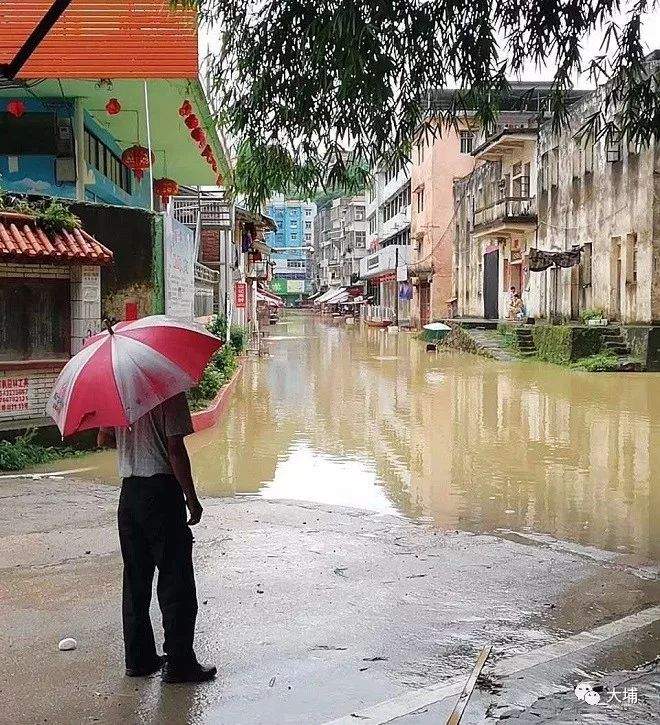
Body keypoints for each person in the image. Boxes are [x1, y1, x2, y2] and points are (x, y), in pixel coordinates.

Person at [97, 393, 216, 684]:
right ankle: (179, 663)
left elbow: (103, 439)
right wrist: (191, 497)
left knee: (135, 580)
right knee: (176, 579)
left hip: (130, 496)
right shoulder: (169, 392)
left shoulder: (118, 392)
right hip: (161, 492)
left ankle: (139, 659)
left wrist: (132, 442)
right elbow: (175, 451)